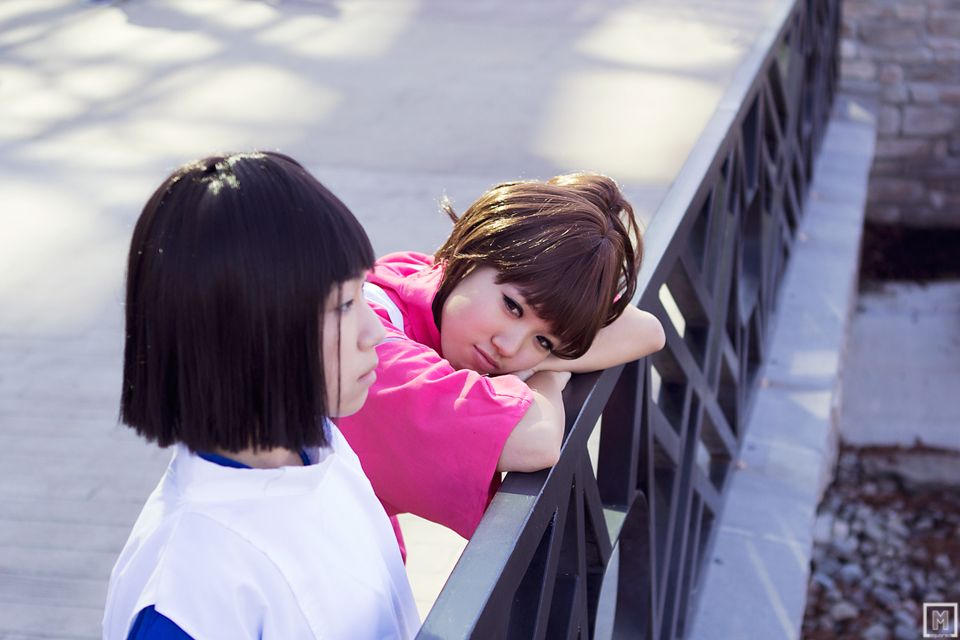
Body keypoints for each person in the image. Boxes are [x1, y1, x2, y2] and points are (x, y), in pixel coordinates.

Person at [102, 152, 420, 640]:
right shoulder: (187, 599)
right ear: (247, 331)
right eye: (344, 305)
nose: (374, 331)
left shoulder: (320, 447)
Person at [337, 172, 666, 543]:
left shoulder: (421, 279)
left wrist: (543, 359)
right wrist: (549, 374)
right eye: (512, 307)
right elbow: (535, 441)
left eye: (543, 340)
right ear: (470, 250)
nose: (509, 348)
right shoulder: (367, 349)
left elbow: (647, 331)